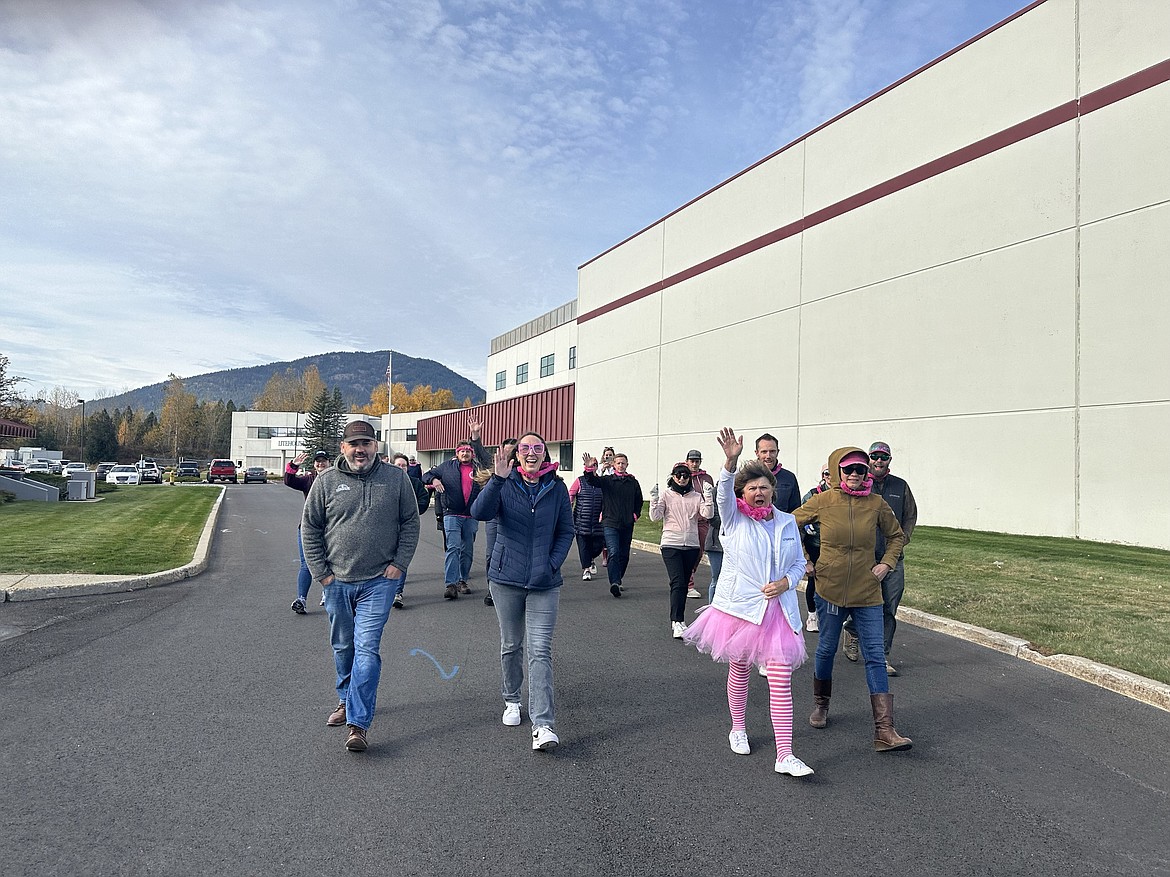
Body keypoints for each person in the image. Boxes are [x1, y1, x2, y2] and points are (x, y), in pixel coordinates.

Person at [682, 428, 814, 777]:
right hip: (739, 609)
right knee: (739, 669)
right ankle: (737, 727)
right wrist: (730, 461)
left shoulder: (787, 521)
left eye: (764, 487)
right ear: (744, 492)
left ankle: (784, 754)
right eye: (752, 487)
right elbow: (724, 492)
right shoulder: (733, 518)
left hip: (778, 612)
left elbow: (798, 562)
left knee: (781, 679)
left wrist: (787, 582)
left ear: (774, 490)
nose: (759, 492)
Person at [301, 420, 420, 753]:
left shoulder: (396, 479)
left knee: (366, 650)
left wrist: (399, 565)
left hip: (379, 582)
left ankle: (358, 724)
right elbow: (310, 528)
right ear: (343, 447)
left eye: (366, 443)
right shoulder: (325, 482)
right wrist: (322, 575)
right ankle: (345, 698)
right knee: (343, 646)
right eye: (354, 444)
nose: (360, 449)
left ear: (376, 446)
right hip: (336, 581)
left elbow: (411, 521)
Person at [793, 447, 911, 752]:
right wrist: (804, 559)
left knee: (874, 655)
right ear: (837, 472)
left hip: (867, 591)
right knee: (827, 649)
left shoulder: (876, 504)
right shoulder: (823, 500)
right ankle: (821, 705)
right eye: (849, 470)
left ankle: (885, 730)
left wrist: (887, 563)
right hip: (829, 589)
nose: (856, 474)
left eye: (861, 469)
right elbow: (787, 526)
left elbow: (897, 536)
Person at [471, 432, 574, 752]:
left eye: (538, 448)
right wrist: (498, 481)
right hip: (506, 580)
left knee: (540, 650)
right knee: (511, 644)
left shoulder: (556, 487)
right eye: (525, 448)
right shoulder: (505, 482)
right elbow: (480, 512)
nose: (532, 453)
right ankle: (512, 700)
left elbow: (565, 530)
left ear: (545, 454)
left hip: (544, 583)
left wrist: (552, 563)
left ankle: (543, 724)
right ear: (517, 455)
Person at [840, 442, 919, 674]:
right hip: (865, 558)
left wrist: (901, 540)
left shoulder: (900, 486)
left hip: (893, 559)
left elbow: (910, 516)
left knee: (888, 607)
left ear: (889, 460)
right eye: (874, 456)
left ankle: (882, 656)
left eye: (883, 457)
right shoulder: (862, 486)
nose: (878, 461)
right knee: (860, 603)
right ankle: (852, 631)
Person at [421, 416, 492, 599]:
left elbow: (484, 456)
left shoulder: (479, 467)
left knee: (467, 549)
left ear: (472, 453)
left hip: (471, 515)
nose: (465, 454)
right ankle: (450, 584)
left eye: (468, 451)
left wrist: (475, 436)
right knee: (453, 547)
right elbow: (426, 475)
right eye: (462, 451)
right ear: (457, 453)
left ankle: (462, 580)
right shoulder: (447, 467)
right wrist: (434, 480)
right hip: (451, 514)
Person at [650, 462, 712, 638]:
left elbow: (707, 515)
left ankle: (679, 620)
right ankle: (677, 621)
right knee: (677, 581)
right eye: (679, 475)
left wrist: (708, 496)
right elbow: (655, 517)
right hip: (671, 544)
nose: (682, 478)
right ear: (673, 476)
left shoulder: (696, 496)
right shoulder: (666, 495)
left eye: (685, 475)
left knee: (684, 583)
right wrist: (654, 499)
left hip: (691, 545)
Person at [581, 451, 644, 598]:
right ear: (614, 465)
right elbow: (591, 481)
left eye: (623, 463)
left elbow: (639, 501)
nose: (621, 465)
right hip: (610, 522)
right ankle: (614, 582)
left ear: (627, 464)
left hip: (627, 523)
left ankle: (618, 577)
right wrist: (589, 468)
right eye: (618, 463)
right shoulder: (607, 480)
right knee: (613, 551)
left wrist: (635, 515)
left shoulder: (633, 482)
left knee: (624, 554)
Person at [285, 450, 332, 614]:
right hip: (307, 528)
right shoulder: (309, 480)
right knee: (306, 565)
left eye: (324, 461)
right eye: (317, 461)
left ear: (329, 462)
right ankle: (301, 600)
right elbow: (289, 481)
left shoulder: (335, 479)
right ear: (314, 464)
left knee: (329, 563)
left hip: (330, 529)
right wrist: (293, 465)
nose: (321, 464)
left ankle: (327, 594)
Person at [390, 453, 431, 609]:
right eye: (398, 465)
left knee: (401, 559)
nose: (401, 468)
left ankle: (397, 593)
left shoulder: (415, 483)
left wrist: (411, 512)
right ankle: (385, 589)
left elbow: (423, 500)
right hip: (386, 528)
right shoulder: (383, 483)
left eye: (404, 465)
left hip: (406, 527)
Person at [480, 437, 518, 607]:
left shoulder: (521, 468)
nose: (508, 454)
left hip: (515, 517)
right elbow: (481, 454)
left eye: (512, 450)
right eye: (506, 450)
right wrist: (475, 438)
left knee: (514, 553)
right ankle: (492, 589)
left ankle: (512, 586)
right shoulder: (495, 466)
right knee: (492, 554)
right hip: (495, 517)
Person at [798, 466, 832, 633]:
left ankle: (830, 616)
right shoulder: (812, 495)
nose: (831, 477)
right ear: (822, 476)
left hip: (834, 547)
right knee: (813, 580)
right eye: (827, 473)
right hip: (815, 546)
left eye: (834, 473)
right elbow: (797, 524)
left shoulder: (845, 495)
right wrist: (806, 559)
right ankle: (812, 615)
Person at [684, 449, 715, 598]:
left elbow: (712, 497)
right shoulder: (683, 475)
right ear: (687, 461)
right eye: (692, 461)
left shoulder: (706, 478)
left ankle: (688, 575)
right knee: (690, 550)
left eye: (697, 461)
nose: (694, 464)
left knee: (700, 551)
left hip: (704, 520)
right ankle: (688, 584)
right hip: (689, 520)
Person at [568, 470, 605, 581]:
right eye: (590, 466)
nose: (592, 468)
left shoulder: (602, 482)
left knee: (598, 545)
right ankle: (586, 569)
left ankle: (591, 558)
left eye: (594, 465)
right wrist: (568, 508)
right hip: (581, 520)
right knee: (584, 546)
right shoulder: (580, 481)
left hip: (598, 521)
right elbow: (571, 494)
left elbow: (608, 498)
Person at [754, 433, 801, 513]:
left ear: (777, 452)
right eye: (764, 452)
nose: (768, 456)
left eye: (772, 451)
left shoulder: (789, 478)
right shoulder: (747, 477)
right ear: (757, 453)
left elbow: (795, 511)